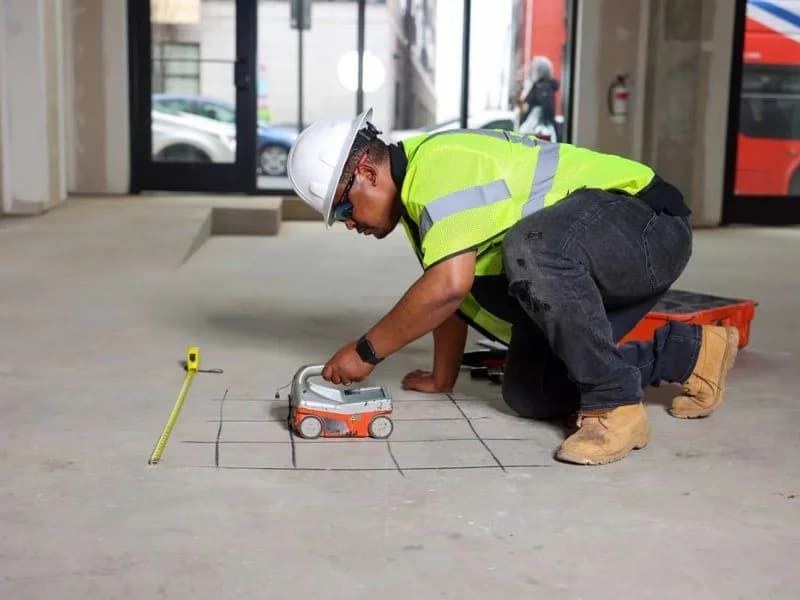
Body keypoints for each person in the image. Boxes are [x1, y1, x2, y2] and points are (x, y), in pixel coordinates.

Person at [286, 109, 739, 465]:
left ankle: (616, 407)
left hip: (647, 226)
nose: (348, 224)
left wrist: (365, 352)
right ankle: (690, 352)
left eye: (344, 209)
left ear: (366, 172)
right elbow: (448, 291)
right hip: (594, 255)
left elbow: (447, 285)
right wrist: (443, 377)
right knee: (530, 393)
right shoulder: (415, 202)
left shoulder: (438, 167)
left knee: (530, 246)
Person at [517, 56, 559, 139]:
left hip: (536, 131)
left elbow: (547, 110)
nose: (530, 71)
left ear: (538, 71)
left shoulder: (542, 87)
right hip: (534, 130)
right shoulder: (537, 86)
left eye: (533, 69)